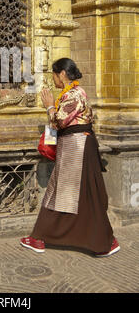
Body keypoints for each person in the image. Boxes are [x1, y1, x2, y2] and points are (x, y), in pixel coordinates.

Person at [20, 58, 120, 258]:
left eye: (54, 75)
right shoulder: (71, 93)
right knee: (77, 193)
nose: (54, 80)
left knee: (68, 192)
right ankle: (104, 238)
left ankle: (41, 237)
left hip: (77, 147)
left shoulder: (75, 94)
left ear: (62, 74)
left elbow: (59, 121)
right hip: (75, 147)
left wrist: (49, 106)